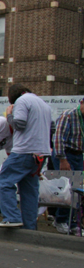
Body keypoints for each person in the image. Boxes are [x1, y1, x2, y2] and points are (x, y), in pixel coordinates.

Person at [0, 85, 53, 229]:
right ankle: (29, 227)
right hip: (40, 154)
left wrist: (9, 115)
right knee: (29, 191)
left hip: (24, 151)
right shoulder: (43, 104)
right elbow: (52, 127)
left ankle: (12, 218)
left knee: (3, 181)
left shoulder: (22, 101)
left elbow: (19, 124)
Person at [50, 97, 84, 233]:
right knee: (67, 187)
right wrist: (63, 159)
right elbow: (58, 138)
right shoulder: (68, 115)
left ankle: (72, 221)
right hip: (65, 154)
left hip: (78, 154)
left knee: (78, 189)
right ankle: (60, 220)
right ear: (81, 103)